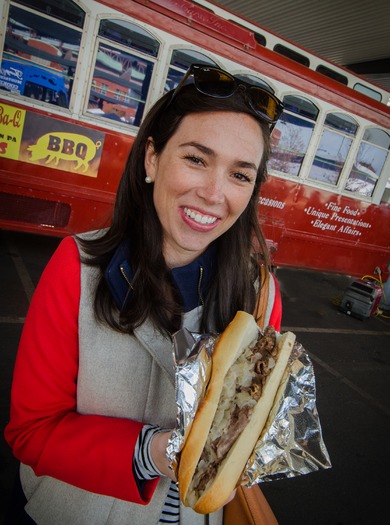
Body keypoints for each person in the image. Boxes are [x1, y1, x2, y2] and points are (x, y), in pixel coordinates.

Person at [4, 63, 284, 525]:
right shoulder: (76, 267)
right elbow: (31, 432)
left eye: (240, 174)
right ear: (152, 159)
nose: (215, 194)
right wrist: (153, 452)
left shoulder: (261, 294)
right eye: (196, 159)